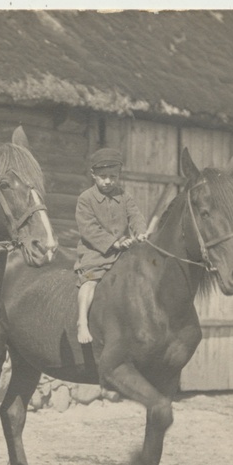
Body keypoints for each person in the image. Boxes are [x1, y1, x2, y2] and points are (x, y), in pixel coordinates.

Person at [74, 147, 149, 344]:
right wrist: (113, 243)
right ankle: (82, 321)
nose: (108, 181)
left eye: (113, 176)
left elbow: (135, 215)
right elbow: (88, 229)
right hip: (96, 252)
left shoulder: (124, 196)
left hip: (123, 251)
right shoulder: (85, 199)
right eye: (103, 176)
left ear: (119, 175)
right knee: (89, 281)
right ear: (93, 175)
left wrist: (141, 232)